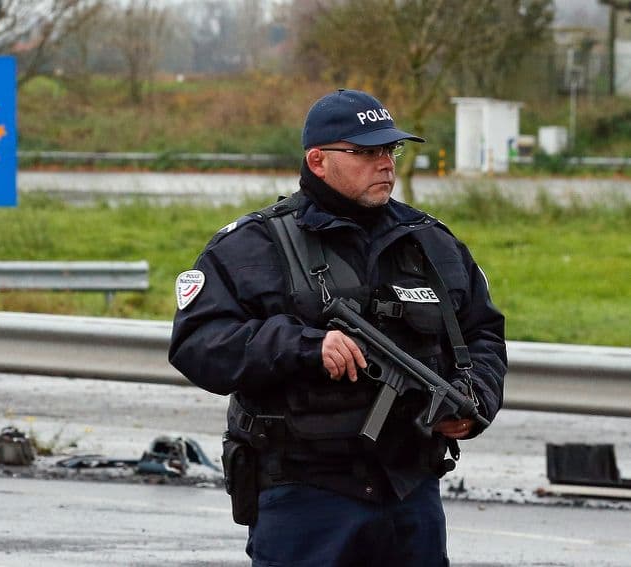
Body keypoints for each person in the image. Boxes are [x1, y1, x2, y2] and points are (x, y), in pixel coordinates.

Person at [169, 88, 506, 567]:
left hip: (409, 493)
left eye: (390, 150)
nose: (385, 163)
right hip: (305, 494)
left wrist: (472, 403)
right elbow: (199, 343)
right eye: (366, 152)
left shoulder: (432, 244)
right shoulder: (253, 246)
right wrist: (304, 346)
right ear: (318, 160)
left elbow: (483, 334)